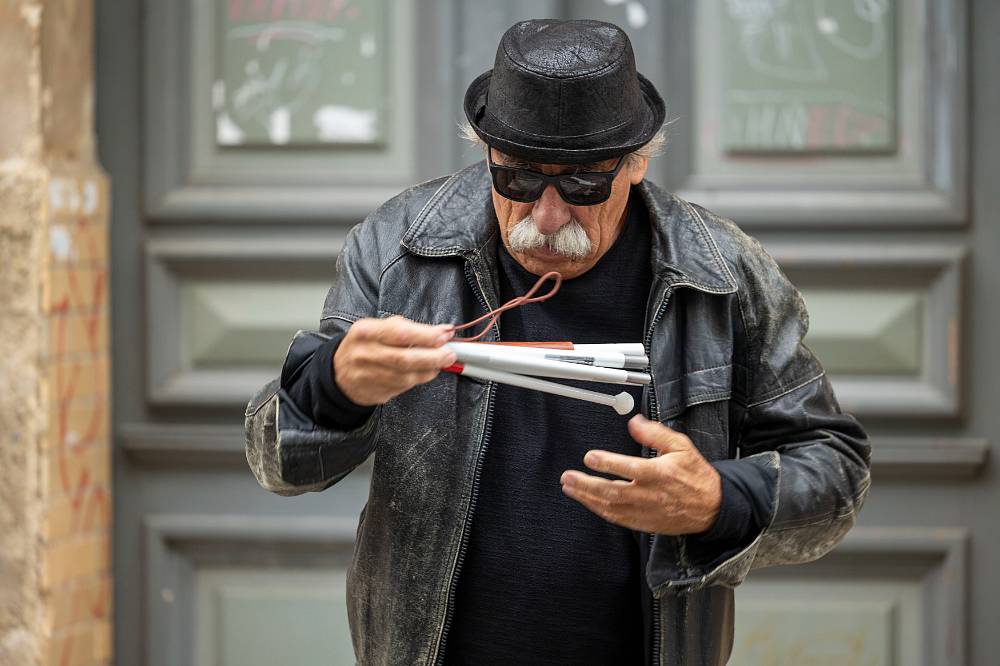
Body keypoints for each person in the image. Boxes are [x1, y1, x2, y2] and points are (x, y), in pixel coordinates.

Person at [244, 18, 871, 666]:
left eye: (581, 185)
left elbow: (835, 472)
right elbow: (279, 463)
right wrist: (335, 385)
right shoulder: (398, 249)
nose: (546, 216)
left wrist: (719, 499)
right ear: (484, 153)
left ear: (638, 163)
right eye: (515, 179)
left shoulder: (721, 273)